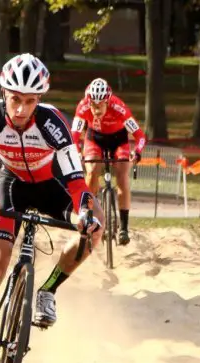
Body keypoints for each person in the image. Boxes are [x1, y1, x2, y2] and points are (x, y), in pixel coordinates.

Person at [0, 53, 104, 363]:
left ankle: (48, 290)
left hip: (51, 184)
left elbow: (76, 180)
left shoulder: (53, 123)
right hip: (11, 185)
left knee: (95, 225)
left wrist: (83, 214)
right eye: (15, 100)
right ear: (4, 93)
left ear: (40, 99)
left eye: (30, 101)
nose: (21, 109)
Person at [71, 78, 146, 246]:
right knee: (91, 172)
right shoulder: (83, 106)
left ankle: (124, 228)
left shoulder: (119, 107)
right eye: (93, 106)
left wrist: (138, 152)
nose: (96, 110)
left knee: (122, 177)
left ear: (107, 101)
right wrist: (76, 151)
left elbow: (140, 136)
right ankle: (90, 214)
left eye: (100, 106)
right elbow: (74, 135)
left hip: (118, 140)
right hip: (94, 139)